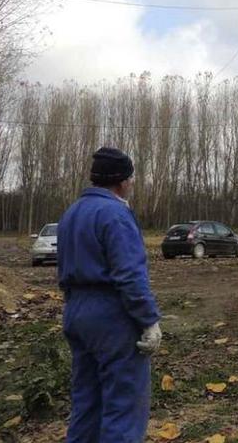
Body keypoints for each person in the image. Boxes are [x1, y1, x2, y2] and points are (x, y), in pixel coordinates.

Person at [57, 147, 161, 442]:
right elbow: (129, 274)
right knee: (124, 407)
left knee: (86, 405)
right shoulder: (116, 213)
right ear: (122, 181)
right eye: (131, 178)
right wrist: (148, 320)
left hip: (76, 311)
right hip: (111, 316)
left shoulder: (71, 213)